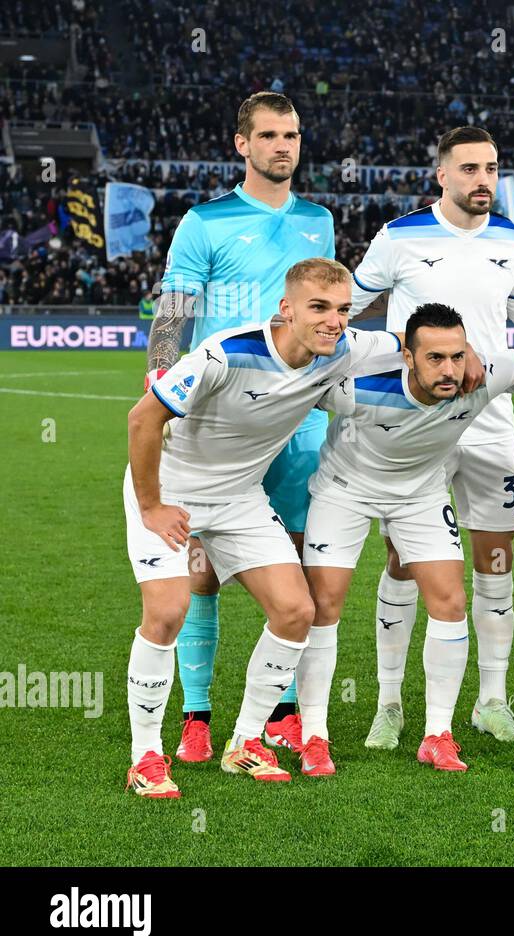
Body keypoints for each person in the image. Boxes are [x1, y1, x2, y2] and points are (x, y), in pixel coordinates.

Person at [297, 304, 514, 774]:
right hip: (346, 491)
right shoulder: (356, 388)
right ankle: (314, 736)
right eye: (435, 358)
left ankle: (437, 733)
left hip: (421, 494)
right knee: (323, 606)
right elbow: (280, 395)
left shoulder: (482, 377)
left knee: (449, 602)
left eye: (456, 355)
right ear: (407, 356)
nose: (449, 370)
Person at [123, 258, 402, 797]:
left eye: (343, 310)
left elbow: (410, 345)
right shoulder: (226, 352)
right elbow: (142, 418)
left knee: (297, 610)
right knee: (166, 612)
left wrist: (472, 361)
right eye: (319, 308)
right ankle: (146, 756)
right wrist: (153, 505)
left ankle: (245, 742)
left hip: (239, 500)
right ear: (287, 309)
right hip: (171, 491)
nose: (334, 321)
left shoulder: (342, 348)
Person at [347, 126, 514, 750]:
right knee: (404, 560)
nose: (484, 180)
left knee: (496, 561)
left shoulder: (513, 240)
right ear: (442, 176)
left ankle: (492, 701)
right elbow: (349, 307)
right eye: (471, 169)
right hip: (416, 423)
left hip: (490, 421)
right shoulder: (399, 237)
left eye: (492, 169)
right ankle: (390, 703)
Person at [145, 92, 336, 763]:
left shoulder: (319, 219)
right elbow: (173, 312)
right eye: (270, 135)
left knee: (297, 559)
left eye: (292, 135)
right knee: (200, 569)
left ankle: (282, 712)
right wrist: (161, 388)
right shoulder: (206, 221)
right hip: (218, 418)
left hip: (298, 416)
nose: (284, 146)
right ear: (241, 145)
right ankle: (196, 717)